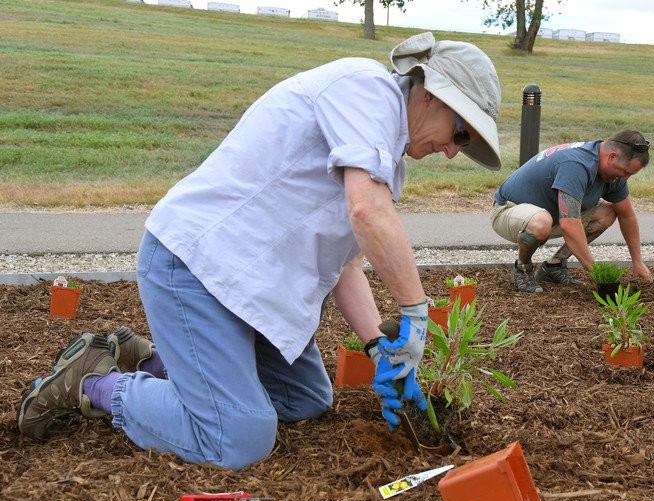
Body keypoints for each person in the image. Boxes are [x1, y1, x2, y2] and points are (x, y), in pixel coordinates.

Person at [17, 32, 503, 471]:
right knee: (239, 438)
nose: (454, 152)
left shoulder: (380, 148)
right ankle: (94, 382)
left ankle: (151, 363)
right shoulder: (367, 90)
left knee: (306, 399)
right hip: (194, 266)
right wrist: (416, 315)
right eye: (461, 133)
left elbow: (344, 263)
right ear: (432, 92)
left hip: (242, 286)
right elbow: (367, 213)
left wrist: (379, 347)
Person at [491, 130, 653, 293]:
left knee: (608, 213)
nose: (625, 179)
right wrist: (598, 275)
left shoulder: (614, 172)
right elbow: (569, 224)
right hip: (507, 211)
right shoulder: (577, 165)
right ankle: (523, 268)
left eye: (630, 174)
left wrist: (638, 262)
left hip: (550, 217)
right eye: (626, 172)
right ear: (611, 157)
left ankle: (553, 267)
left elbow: (627, 215)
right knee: (541, 222)